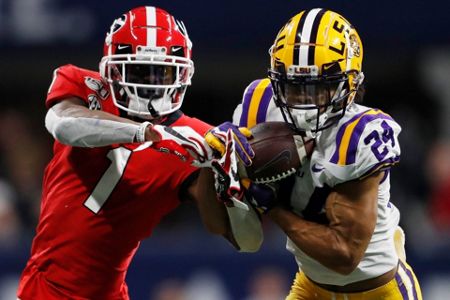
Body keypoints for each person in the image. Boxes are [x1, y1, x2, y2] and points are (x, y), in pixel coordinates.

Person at [17, 6, 262, 300]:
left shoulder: (198, 137)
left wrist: (220, 172)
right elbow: (63, 124)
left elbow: (244, 239)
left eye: (162, 72)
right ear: (112, 69)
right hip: (45, 290)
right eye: (138, 71)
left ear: (182, 73)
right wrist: (146, 132)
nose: (149, 84)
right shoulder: (86, 87)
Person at [228, 8, 423, 299]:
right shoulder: (259, 105)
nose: (305, 103)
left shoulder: (361, 134)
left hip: (378, 292)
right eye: (295, 87)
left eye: (320, 88)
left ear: (350, 83)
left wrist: (272, 208)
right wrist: (218, 162)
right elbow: (231, 230)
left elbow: (345, 256)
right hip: (311, 287)